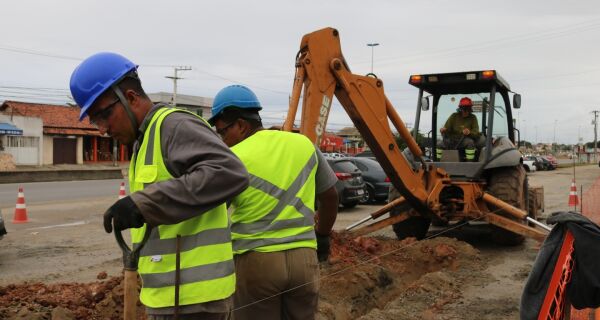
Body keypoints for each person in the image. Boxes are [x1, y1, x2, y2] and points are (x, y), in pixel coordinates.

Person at [69, 52, 249, 320]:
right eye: (95, 121)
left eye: (103, 115)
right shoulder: (144, 141)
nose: (102, 129)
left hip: (193, 302)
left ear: (130, 97)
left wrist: (142, 204)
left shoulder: (173, 126)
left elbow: (230, 172)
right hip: (172, 297)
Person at [208, 85, 339, 320]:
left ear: (240, 125)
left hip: (256, 262)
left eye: (223, 132)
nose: (222, 139)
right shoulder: (303, 144)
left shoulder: (232, 158)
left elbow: (215, 213)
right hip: (304, 261)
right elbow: (330, 196)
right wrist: (322, 236)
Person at [439, 97, 483, 161]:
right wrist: (443, 130)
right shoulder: (454, 116)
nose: (465, 110)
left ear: (470, 109)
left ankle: (469, 164)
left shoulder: (473, 118)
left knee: (470, 142)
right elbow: (447, 128)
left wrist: (469, 132)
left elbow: (476, 132)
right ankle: (438, 164)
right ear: (460, 108)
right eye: (463, 108)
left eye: (467, 108)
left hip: (464, 141)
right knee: (439, 144)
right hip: (452, 141)